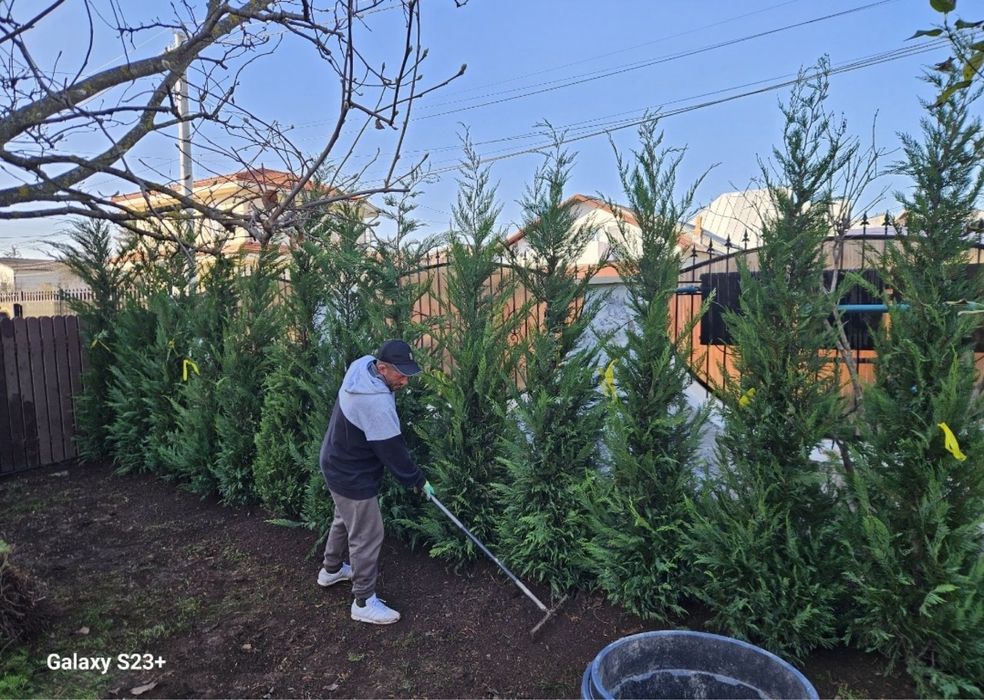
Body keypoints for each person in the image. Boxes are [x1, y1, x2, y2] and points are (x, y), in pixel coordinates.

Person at [316, 339, 434, 625]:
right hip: (350, 472)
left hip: (334, 459)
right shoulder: (376, 403)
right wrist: (418, 481)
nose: (405, 380)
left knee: (344, 518)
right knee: (368, 534)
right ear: (382, 368)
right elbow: (394, 453)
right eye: (400, 374)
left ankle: (331, 570)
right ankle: (363, 601)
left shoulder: (362, 366)